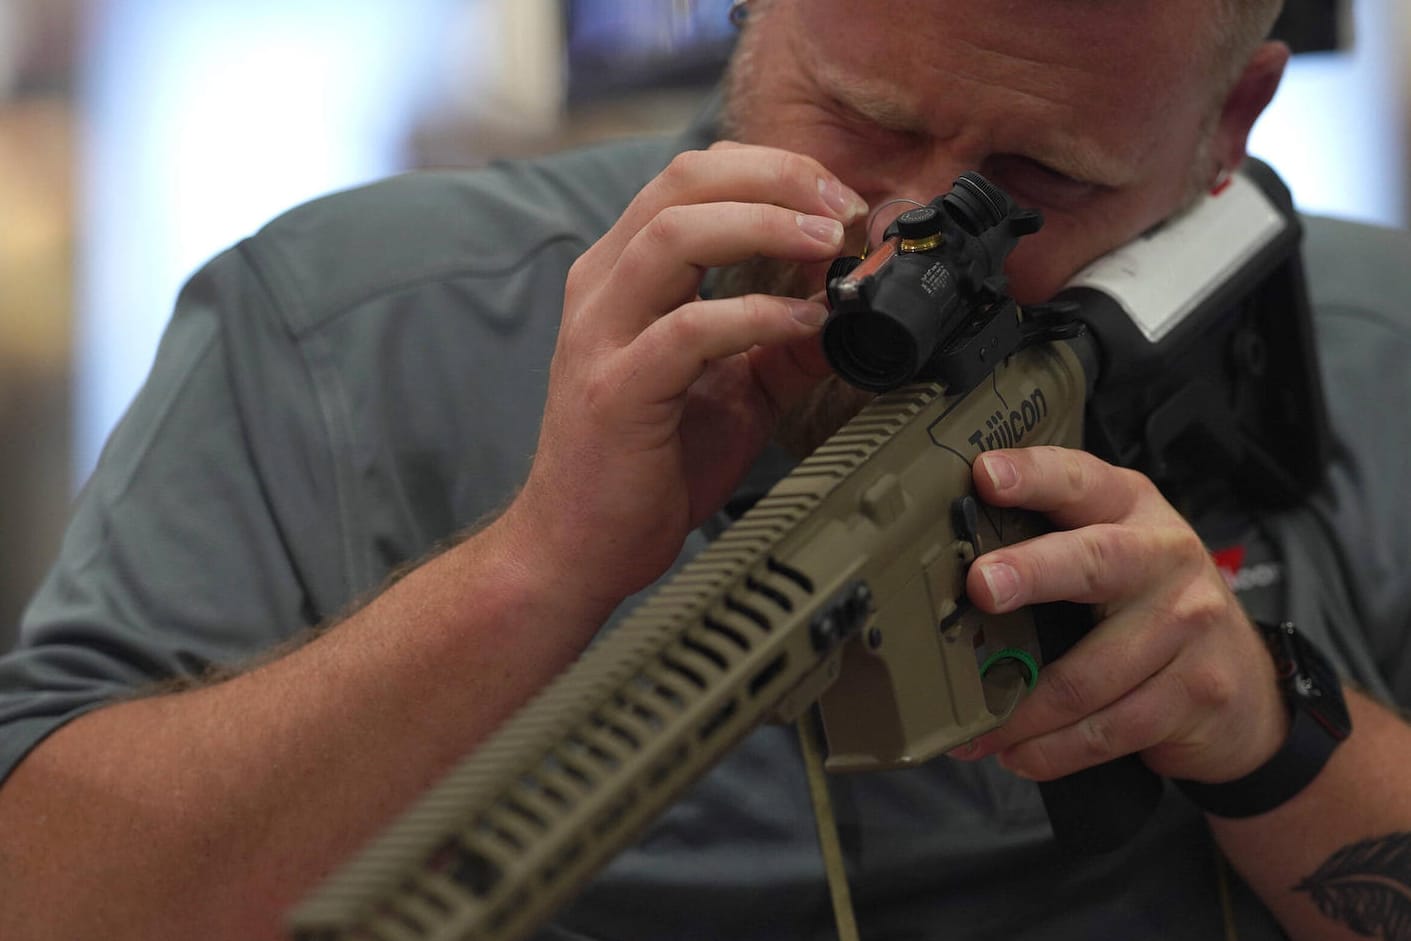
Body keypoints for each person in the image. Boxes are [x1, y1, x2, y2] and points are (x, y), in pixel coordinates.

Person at [2, 0, 1410, 938]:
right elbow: (49, 897)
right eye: (860, 118)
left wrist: (1271, 736)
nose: (904, 239)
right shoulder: (343, 328)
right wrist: (535, 570)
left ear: (1233, 119)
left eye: (1038, 181)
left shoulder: (1377, 347)